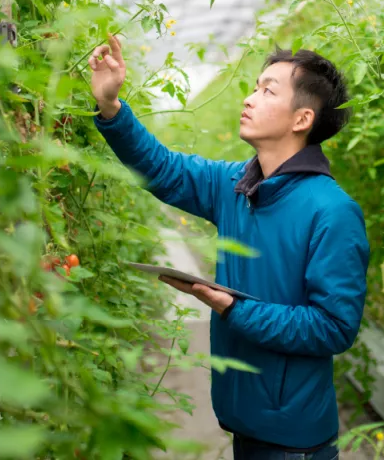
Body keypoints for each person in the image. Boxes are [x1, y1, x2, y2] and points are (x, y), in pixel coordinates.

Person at [89, 35, 369, 460]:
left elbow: (333, 326)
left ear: (302, 119)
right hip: (243, 424)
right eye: (255, 86)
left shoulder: (332, 211)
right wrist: (111, 109)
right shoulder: (237, 185)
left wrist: (233, 308)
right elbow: (164, 169)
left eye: (267, 90)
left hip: (295, 444)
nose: (250, 98)